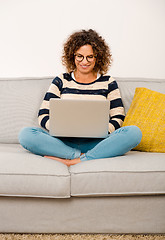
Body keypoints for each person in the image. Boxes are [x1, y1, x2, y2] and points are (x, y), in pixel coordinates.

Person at [19, 29, 142, 166]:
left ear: (98, 57)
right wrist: (59, 129)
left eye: (90, 56)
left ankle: (73, 160)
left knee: (134, 133)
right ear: (73, 56)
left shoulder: (108, 82)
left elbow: (118, 117)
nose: (85, 61)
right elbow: (43, 115)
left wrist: (102, 131)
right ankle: (81, 156)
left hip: (97, 141)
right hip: (63, 141)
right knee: (26, 134)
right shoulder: (61, 80)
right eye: (80, 56)